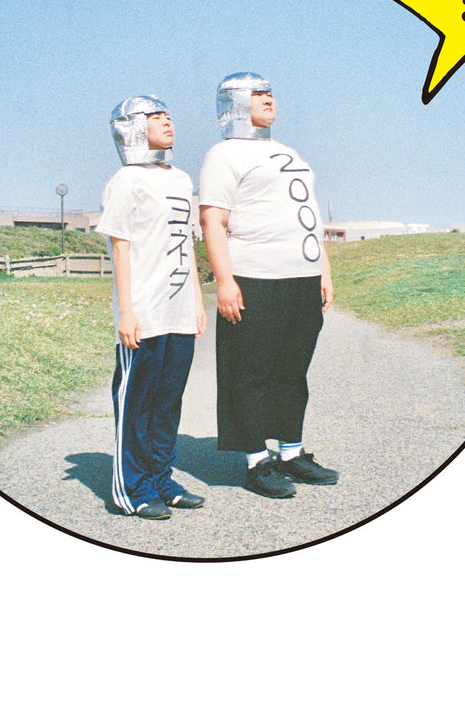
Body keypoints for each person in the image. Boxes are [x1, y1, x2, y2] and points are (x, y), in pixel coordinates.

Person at [199, 72, 339, 498]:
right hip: (255, 276)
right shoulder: (224, 154)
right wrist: (225, 281)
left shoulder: (288, 151)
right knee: (251, 372)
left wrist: (324, 271)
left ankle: (291, 454)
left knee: (293, 371)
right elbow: (213, 221)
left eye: (270, 92)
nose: (268, 99)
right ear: (234, 102)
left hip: (302, 277)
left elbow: (308, 214)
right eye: (257, 93)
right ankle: (257, 461)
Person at [96, 95, 208, 520]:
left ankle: (162, 479)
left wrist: (196, 301)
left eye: (169, 116)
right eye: (156, 117)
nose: (167, 122)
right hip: (144, 310)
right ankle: (133, 488)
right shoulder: (126, 180)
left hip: (178, 310)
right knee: (137, 403)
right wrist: (126, 312)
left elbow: (186, 242)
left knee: (167, 402)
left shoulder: (180, 179)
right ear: (132, 127)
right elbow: (120, 248)